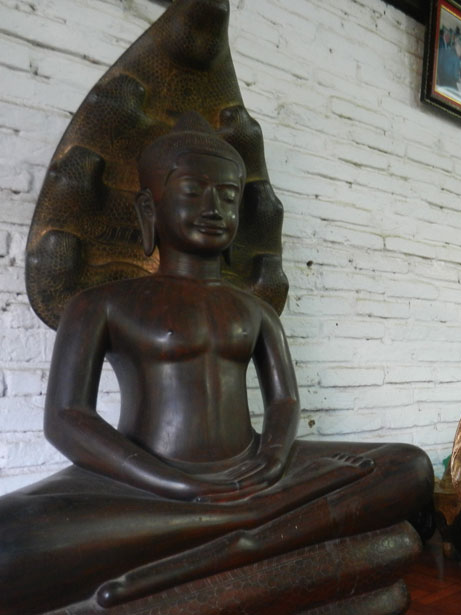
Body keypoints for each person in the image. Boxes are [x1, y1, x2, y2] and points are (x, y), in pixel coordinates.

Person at [0, 115, 433, 614]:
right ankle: (252, 528)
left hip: (256, 469)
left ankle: (242, 530)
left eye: (228, 195)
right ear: (149, 207)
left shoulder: (256, 309)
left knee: (409, 465)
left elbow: (285, 400)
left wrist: (271, 463)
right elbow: (67, 418)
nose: (214, 207)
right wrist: (180, 484)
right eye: (193, 191)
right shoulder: (101, 304)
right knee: (9, 544)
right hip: (146, 487)